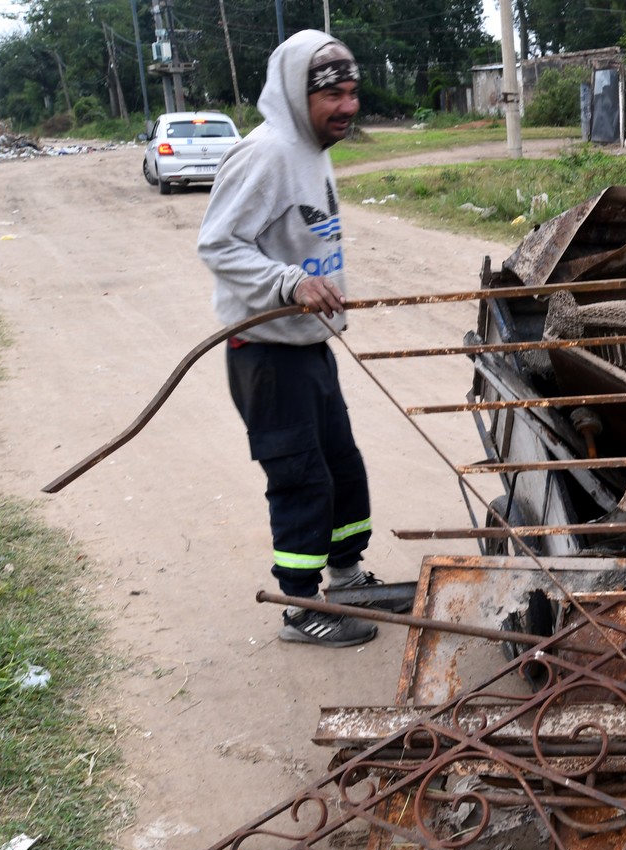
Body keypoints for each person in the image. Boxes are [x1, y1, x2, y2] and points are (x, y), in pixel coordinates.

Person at [198, 30, 408, 647]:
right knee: (301, 476)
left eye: (352, 93)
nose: (347, 106)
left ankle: (346, 578)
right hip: (264, 351)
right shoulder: (266, 154)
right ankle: (298, 606)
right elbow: (216, 244)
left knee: (341, 465)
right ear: (297, 94)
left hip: (306, 345)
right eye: (332, 96)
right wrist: (287, 283)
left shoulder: (313, 149)